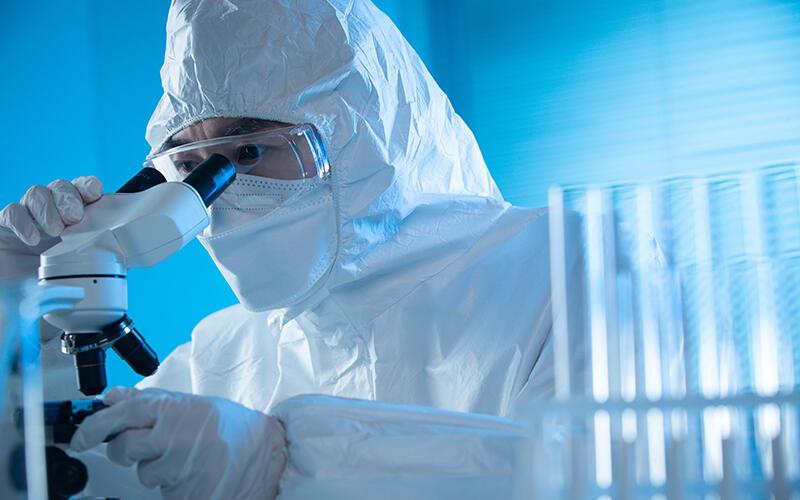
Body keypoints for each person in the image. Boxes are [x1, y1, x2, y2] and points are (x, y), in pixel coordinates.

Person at [0, 0, 585, 498]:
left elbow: (597, 475)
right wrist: (19, 315)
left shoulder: (566, 271)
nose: (217, 197)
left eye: (249, 151)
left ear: (364, 134)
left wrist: (285, 465)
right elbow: (58, 463)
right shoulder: (219, 355)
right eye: (190, 165)